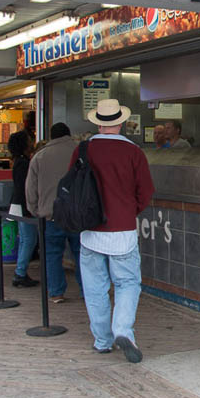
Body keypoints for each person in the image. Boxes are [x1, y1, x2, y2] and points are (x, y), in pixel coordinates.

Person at [73, 99, 154, 363]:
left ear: (98, 122)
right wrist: (129, 211)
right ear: (120, 123)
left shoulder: (84, 150)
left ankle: (102, 340)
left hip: (90, 230)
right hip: (123, 230)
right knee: (127, 282)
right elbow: (146, 191)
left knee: (95, 287)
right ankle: (123, 331)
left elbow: (72, 186)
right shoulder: (134, 153)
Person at [25, 122, 82, 303]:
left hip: (50, 215)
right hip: (76, 214)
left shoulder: (39, 157)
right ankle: (88, 291)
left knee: (52, 255)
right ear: (68, 134)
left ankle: (56, 293)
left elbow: (30, 188)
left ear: (51, 136)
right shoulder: (80, 152)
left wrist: (34, 209)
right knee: (82, 254)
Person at [8, 130, 39, 288]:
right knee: (29, 240)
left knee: (26, 240)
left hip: (20, 206)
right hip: (25, 206)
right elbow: (24, 188)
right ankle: (20, 272)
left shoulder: (19, 162)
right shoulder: (24, 163)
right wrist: (29, 207)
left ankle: (21, 271)